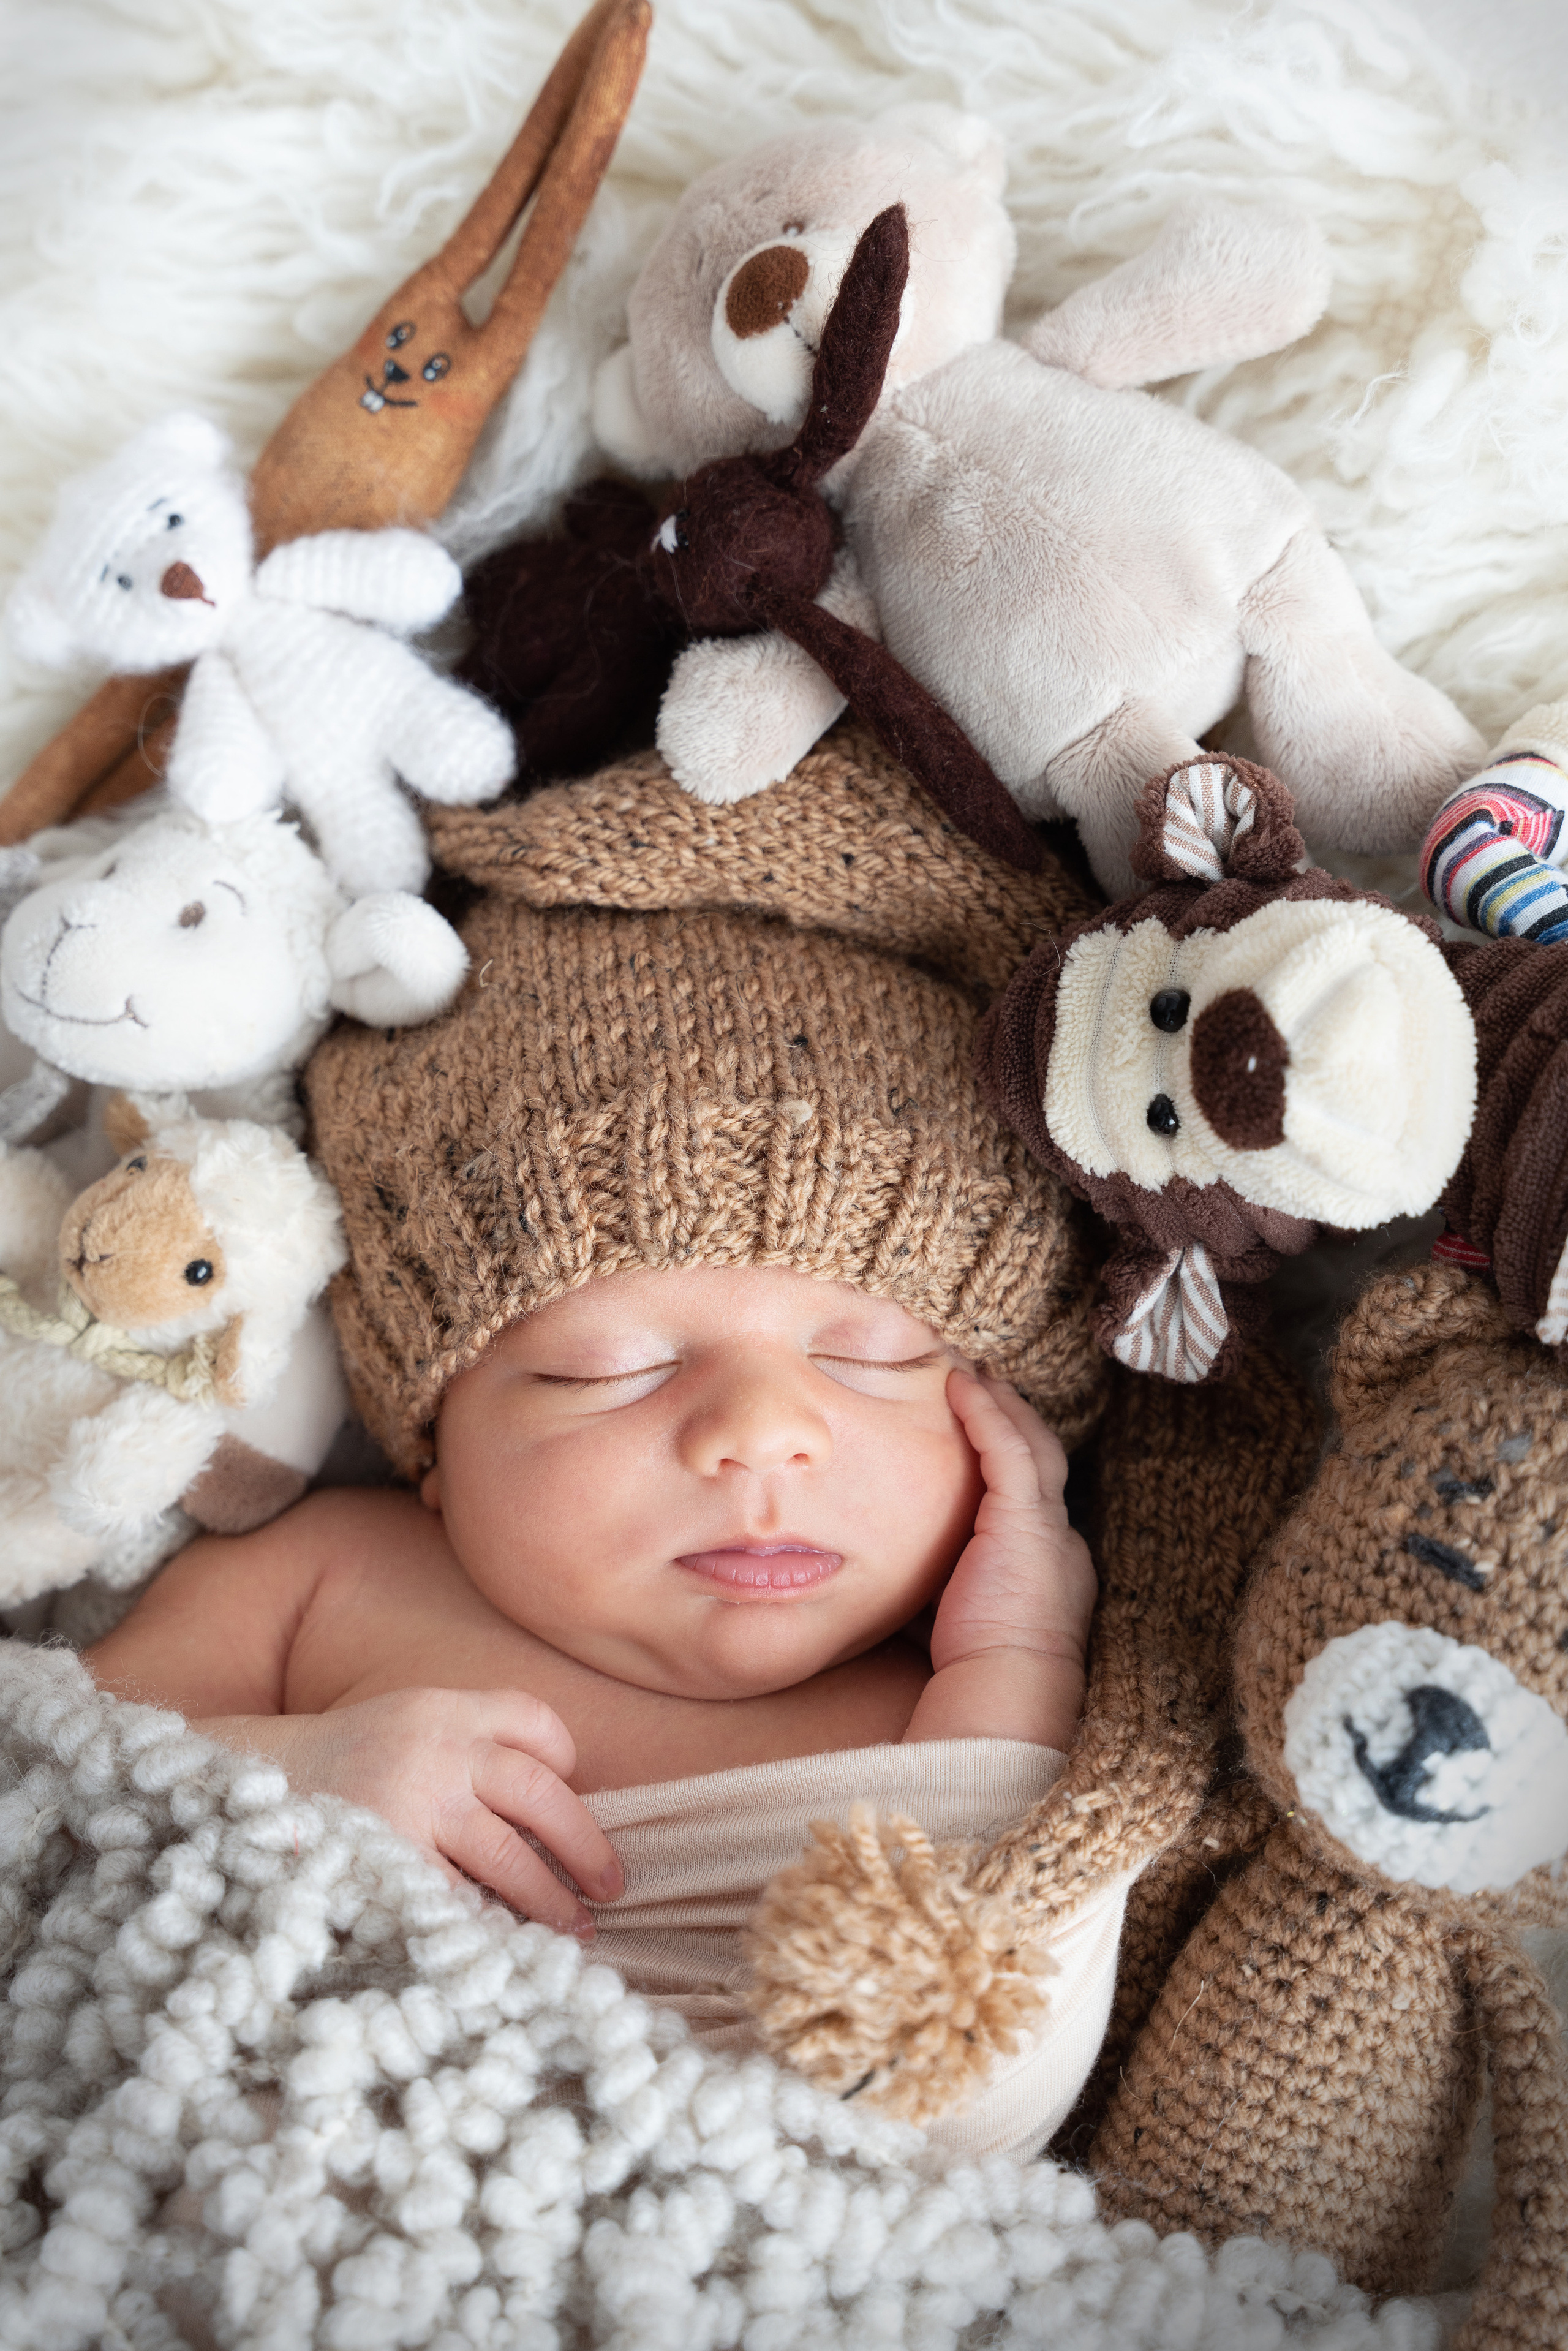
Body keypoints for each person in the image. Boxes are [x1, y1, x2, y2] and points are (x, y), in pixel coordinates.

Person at [86, 730, 1126, 2159]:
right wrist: (289, 1779)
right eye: (605, 1364)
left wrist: (1020, 1667)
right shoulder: (320, 1572)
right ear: (431, 1433)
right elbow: (56, 1785)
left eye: (871, 1354)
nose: (762, 1428)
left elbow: (976, 2072)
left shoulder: (959, 1702)